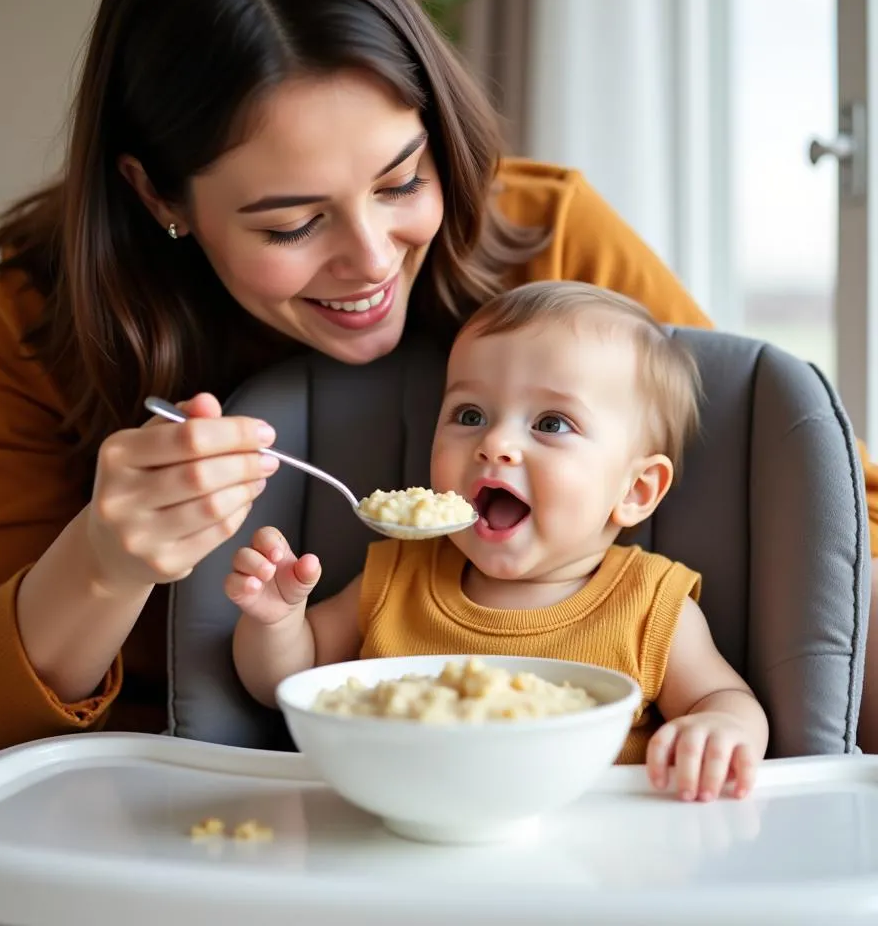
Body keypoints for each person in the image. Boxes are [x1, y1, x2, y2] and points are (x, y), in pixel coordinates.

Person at [0, 0, 874, 920]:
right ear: (160, 193)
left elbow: (826, 511)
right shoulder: (42, 324)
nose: (371, 257)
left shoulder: (544, 245)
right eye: (291, 222)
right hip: (183, 796)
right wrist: (105, 561)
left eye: (402, 180)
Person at [228, 281, 770, 802]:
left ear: (635, 489)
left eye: (553, 423)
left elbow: (721, 698)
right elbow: (288, 679)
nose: (496, 443)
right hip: (397, 828)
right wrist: (275, 621)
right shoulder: (396, 576)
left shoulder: (650, 605)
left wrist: (720, 728)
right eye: (470, 415)